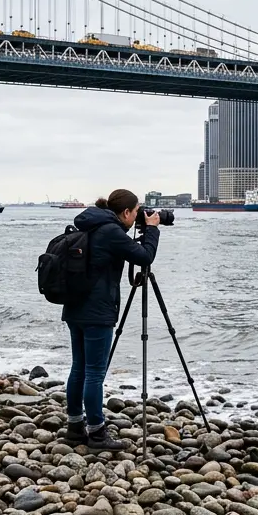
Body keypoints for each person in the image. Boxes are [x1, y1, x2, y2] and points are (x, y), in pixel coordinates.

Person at [61, 188, 160, 450]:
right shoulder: (111, 231)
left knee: (79, 367)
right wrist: (152, 230)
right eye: (137, 211)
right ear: (126, 212)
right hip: (97, 312)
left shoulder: (93, 224)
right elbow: (145, 257)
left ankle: (74, 427)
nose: (139, 216)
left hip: (75, 307)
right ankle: (96, 433)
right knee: (94, 372)